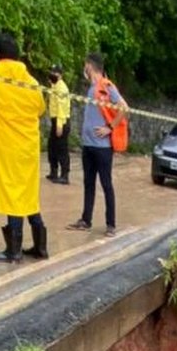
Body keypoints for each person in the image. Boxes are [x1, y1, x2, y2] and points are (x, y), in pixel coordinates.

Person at [0, 32, 49, 263]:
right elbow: (40, 108)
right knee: (28, 196)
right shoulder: (31, 82)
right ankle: (40, 247)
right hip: (29, 148)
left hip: (6, 147)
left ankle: (14, 251)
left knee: (13, 195)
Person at [67, 52, 127, 237]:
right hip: (88, 145)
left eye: (85, 65)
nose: (84, 68)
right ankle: (86, 220)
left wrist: (110, 127)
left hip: (102, 147)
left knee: (106, 184)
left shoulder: (106, 86)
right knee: (88, 184)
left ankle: (111, 224)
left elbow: (124, 107)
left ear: (89, 66)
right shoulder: (92, 88)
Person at [46, 65, 71, 185]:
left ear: (60, 75)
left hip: (62, 121)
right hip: (55, 120)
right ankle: (54, 172)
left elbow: (61, 107)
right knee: (52, 147)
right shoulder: (54, 86)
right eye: (51, 71)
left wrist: (59, 125)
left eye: (54, 72)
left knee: (62, 149)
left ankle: (65, 175)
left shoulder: (62, 88)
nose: (52, 74)